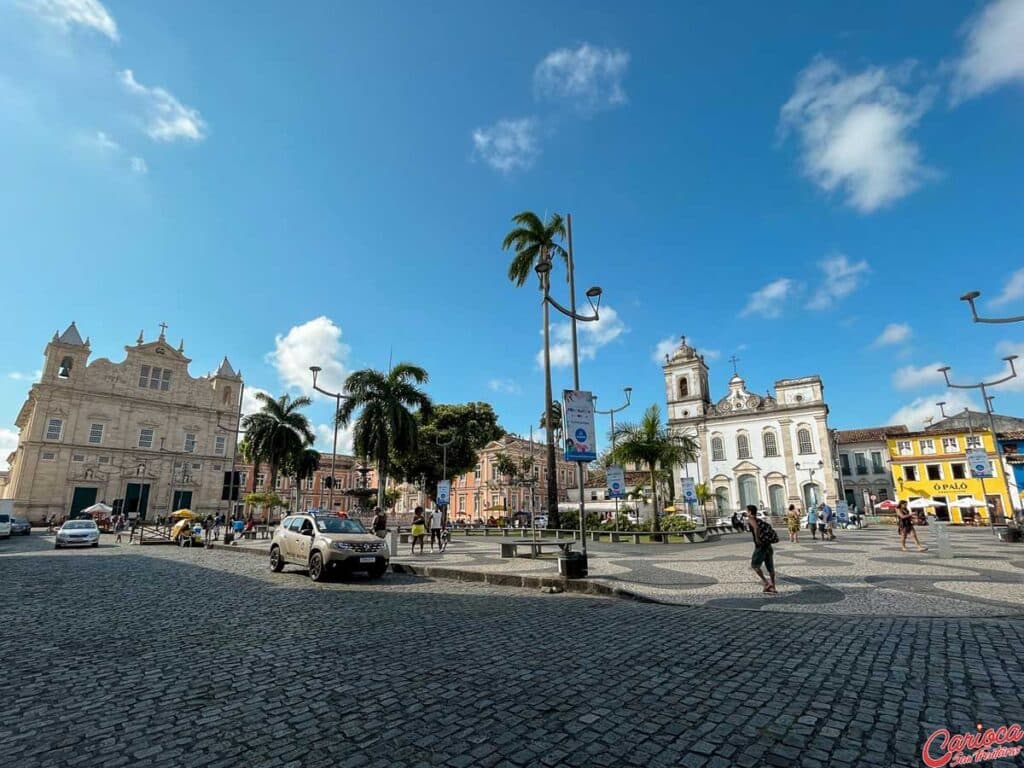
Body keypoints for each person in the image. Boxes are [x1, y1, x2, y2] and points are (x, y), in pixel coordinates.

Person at [747, 505, 777, 594]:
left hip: (760, 546)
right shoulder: (760, 520)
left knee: (755, 565)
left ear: (749, 512)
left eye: (747, 511)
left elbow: (756, 528)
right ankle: (773, 586)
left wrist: (757, 539)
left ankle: (766, 583)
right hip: (768, 546)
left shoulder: (751, 519)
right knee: (770, 567)